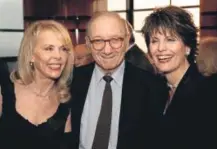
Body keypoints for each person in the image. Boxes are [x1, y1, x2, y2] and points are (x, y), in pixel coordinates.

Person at [70, 11, 168, 149]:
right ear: (88, 43)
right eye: (98, 41)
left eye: (115, 40)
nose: (107, 50)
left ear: (127, 40)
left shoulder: (151, 87)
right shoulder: (71, 81)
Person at [142, 5, 214, 149]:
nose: (161, 48)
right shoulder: (154, 89)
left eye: (170, 39)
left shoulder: (209, 92)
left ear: (187, 47)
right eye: (155, 41)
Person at [0, 20, 74, 149]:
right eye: (48, 48)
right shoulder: (4, 93)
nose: (58, 56)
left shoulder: (65, 103)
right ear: (31, 55)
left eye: (63, 49)